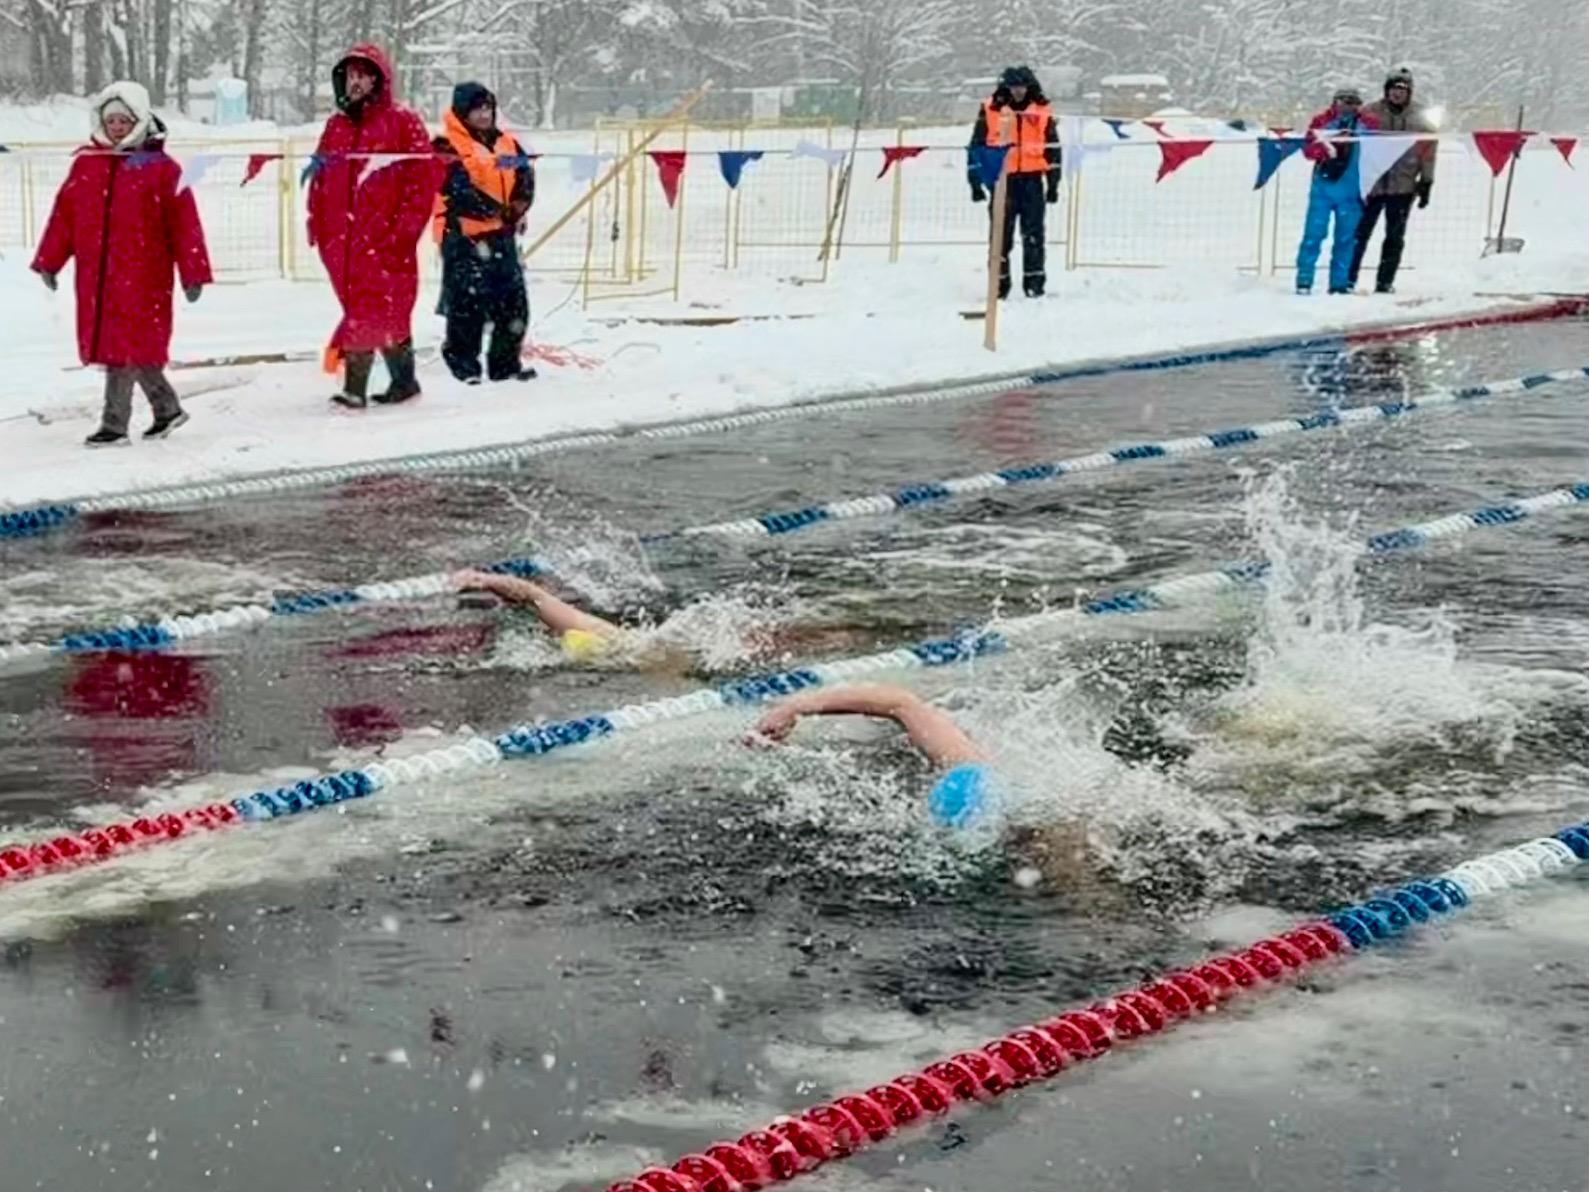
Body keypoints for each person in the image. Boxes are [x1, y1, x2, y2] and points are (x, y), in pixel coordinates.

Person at [31, 81, 212, 448]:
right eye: (110, 120)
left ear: (139, 121)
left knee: (125, 347)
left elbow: (185, 224)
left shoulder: (162, 169)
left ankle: (114, 425)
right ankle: (167, 409)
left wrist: (193, 272)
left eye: (124, 120)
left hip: (144, 275)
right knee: (130, 347)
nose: (116, 127)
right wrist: (49, 261)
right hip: (98, 276)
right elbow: (64, 217)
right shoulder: (87, 164)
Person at [307, 43, 440, 409]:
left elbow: (422, 182)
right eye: (351, 75)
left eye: (364, 75)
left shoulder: (402, 121)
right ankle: (404, 381)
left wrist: (403, 233)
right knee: (382, 313)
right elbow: (319, 177)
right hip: (340, 242)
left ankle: (355, 389)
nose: (356, 82)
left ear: (379, 80)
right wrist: (316, 221)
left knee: (367, 313)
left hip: (384, 241)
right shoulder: (335, 126)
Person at [750, 683, 995, 828]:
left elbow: (901, 703)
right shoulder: (972, 771)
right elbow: (899, 703)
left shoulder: (977, 778)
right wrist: (793, 708)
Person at [433, 82, 537, 385]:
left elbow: (525, 177)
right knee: (467, 306)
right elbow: (457, 190)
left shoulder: (508, 143)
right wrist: (496, 212)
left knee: (513, 304)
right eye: (476, 109)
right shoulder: (446, 145)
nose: (483, 115)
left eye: (487, 108)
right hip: (463, 237)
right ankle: (464, 366)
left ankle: (505, 365)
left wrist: (516, 208)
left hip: (501, 236)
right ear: (462, 113)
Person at [967, 66, 1061, 299]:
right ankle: (999, 286)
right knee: (1000, 236)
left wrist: (1053, 184)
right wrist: (975, 183)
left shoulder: (1041, 110)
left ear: (1029, 87)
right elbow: (976, 146)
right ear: (1006, 87)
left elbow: (1052, 149)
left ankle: (1034, 284)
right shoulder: (991, 109)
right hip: (1002, 182)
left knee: (1034, 236)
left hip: (1032, 181)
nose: (1018, 91)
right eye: (1013, 87)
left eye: (1022, 87)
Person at [1348, 67, 1437, 294]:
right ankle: (1348, 279)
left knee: (1395, 237)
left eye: (1403, 90)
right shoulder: (1369, 112)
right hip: (1372, 185)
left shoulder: (1421, 117)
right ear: (1386, 90)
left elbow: (1428, 150)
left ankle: (1385, 282)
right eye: (1394, 89)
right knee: (1359, 234)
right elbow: (1354, 145)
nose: (1397, 94)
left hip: (1403, 185)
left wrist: (1426, 181)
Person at [1295, 85, 1380, 295]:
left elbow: (1377, 151)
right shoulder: (1322, 121)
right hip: (1323, 189)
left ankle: (1339, 284)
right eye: (1343, 102)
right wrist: (1327, 147)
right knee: (1313, 235)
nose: (1347, 107)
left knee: (1346, 239)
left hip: (1352, 191)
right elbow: (1308, 150)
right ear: (1335, 102)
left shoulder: (1367, 124)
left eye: (1353, 102)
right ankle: (1304, 280)